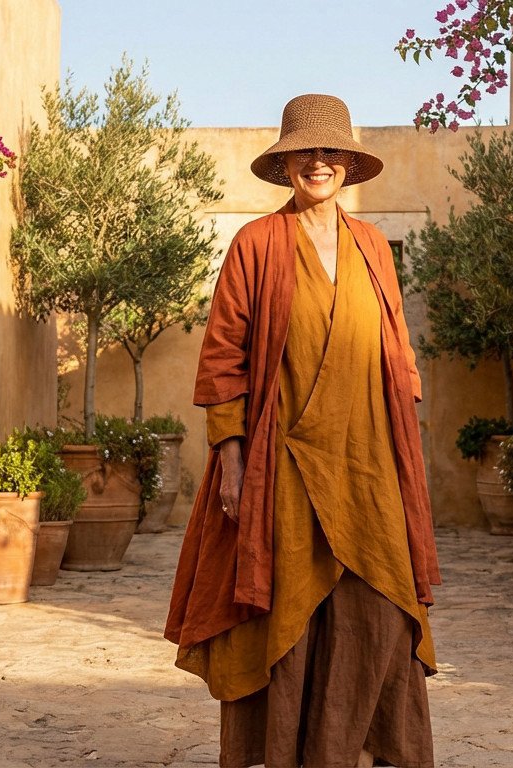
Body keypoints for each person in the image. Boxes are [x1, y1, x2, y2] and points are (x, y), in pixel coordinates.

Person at [164, 94, 442, 768]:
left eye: (329, 151)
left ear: (349, 163)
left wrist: (406, 454)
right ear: (286, 164)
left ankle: (353, 747)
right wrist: (230, 461)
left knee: (378, 603)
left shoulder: (374, 246)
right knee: (287, 603)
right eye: (303, 152)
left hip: (368, 456)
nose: (317, 162)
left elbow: (398, 353)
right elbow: (223, 357)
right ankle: (291, 751)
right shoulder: (256, 244)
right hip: (281, 457)